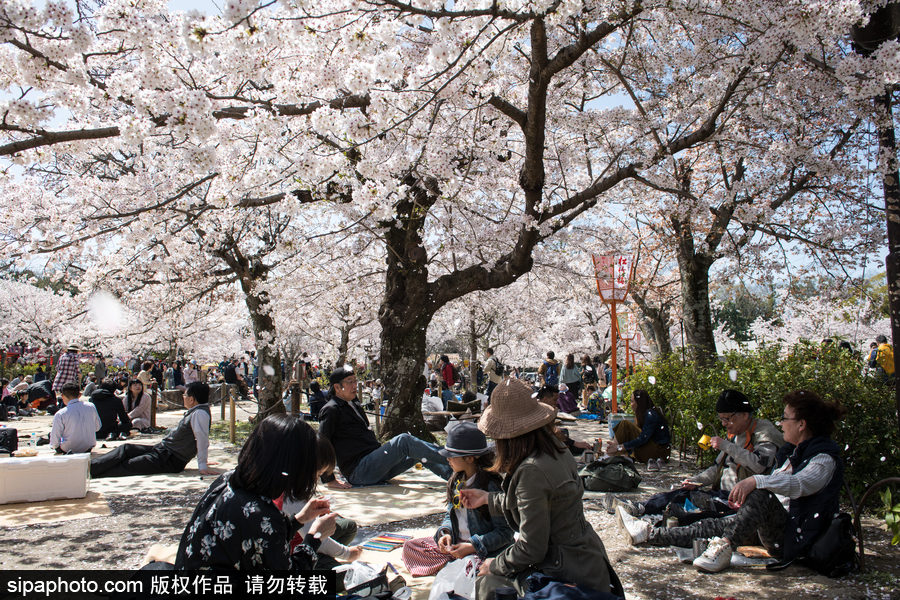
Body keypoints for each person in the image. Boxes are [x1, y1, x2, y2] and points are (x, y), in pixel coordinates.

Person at [618, 390, 847, 575]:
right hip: (762, 518)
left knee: (759, 494)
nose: (782, 422)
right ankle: (649, 533)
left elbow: (798, 484)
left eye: (786, 418)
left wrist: (755, 481)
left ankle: (724, 547)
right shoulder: (793, 452)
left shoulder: (822, 458)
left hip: (792, 536)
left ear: (801, 424)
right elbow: (717, 469)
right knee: (712, 526)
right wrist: (696, 481)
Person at [459, 378, 623, 600]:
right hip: (587, 556)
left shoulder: (531, 470)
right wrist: (488, 499)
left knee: (487, 585)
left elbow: (531, 548)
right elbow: (541, 503)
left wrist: (495, 565)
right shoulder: (556, 448)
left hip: (568, 571)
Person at [175, 414, 336, 570]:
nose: (314, 479)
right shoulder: (262, 513)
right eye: (314, 472)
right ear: (294, 464)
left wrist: (299, 520)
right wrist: (314, 537)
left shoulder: (227, 479)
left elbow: (266, 539)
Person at [610, 388, 784, 527]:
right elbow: (717, 468)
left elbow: (760, 465)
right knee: (684, 493)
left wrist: (725, 445)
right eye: (721, 419)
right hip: (722, 493)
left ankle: (646, 516)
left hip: (740, 502)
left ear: (745, 415)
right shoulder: (736, 433)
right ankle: (641, 507)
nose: (724, 424)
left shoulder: (764, 433)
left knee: (689, 510)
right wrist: (696, 480)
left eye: (727, 419)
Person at [401, 422, 515, 576]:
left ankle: (463, 565)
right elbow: (450, 514)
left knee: (479, 569)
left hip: (481, 551)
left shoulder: (490, 487)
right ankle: (458, 564)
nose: (447, 459)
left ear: (469, 458)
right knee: (410, 547)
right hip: (456, 546)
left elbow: (504, 533)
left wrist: (472, 546)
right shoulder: (456, 481)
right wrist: (445, 534)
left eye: (451, 455)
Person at [317, 365, 452, 487]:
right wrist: (329, 479)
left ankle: (456, 476)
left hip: (376, 464)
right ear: (337, 387)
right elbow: (322, 445)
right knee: (403, 441)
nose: (354, 385)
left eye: (355, 380)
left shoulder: (353, 403)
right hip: (359, 471)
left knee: (417, 449)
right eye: (349, 382)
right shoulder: (332, 409)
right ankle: (455, 458)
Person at [90, 381, 219, 478]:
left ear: (192, 399)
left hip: (170, 459)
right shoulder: (196, 411)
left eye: (185, 395)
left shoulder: (200, 413)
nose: (183, 397)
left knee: (128, 465)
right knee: (126, 449)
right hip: (163, 450)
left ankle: (87, 473)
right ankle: (89, 467)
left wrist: (202, 465)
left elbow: (202, 438)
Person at [605, 389, 671, 468]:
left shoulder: (651, 415)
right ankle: (617, 453)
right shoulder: (644, 414)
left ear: (639, 403)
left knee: (625, 424)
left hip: (659, 452)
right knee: (626, 430)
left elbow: (643, 439)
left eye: (632, 402)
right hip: (653, 450)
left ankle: (611, 453)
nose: (631, 404)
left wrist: (620, 447)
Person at [50, 382, 100, 454]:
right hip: (88, 447)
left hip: (67, 449)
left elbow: (55, 441)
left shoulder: (60, 414)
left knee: (54, 436)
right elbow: (97, 428)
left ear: (62, 396)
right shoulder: (91, 406)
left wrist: (55, 446)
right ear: (79, 394)